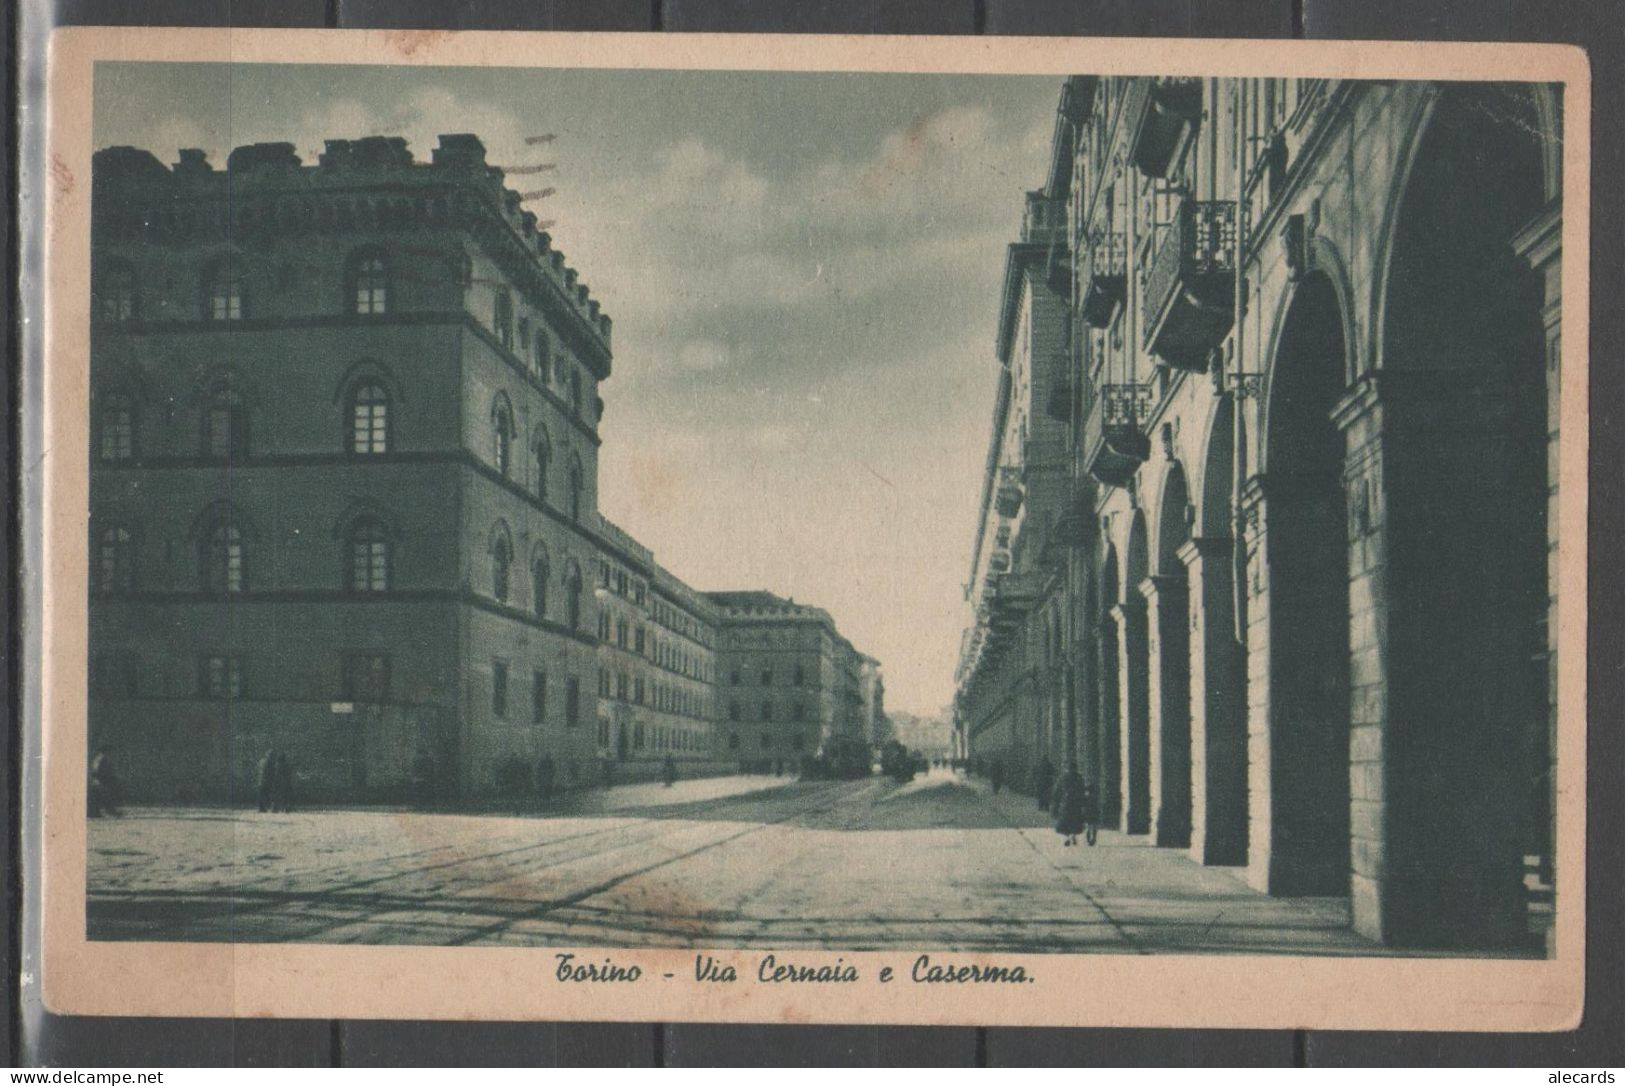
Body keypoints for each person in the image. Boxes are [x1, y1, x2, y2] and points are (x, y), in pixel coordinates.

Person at [1053, 765, 1087, 846]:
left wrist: (1056, 803)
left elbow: (1057, 791)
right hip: (1076, 803)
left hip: (1066, 803)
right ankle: (1073, 836)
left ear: (1067, 768)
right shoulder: (1079, 778)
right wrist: (1083, 803)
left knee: (1065, 821)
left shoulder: (1062, 777)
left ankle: (1066, 838)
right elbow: (1083, 790)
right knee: (1075, 821)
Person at [88, 751, 121, 818]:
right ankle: (110, 812)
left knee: (98, 798)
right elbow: (97, 771)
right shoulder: (103, 759)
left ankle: (95, 813)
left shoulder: (100, 758)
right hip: (100, 782)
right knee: (106, 796)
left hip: (98, 781)